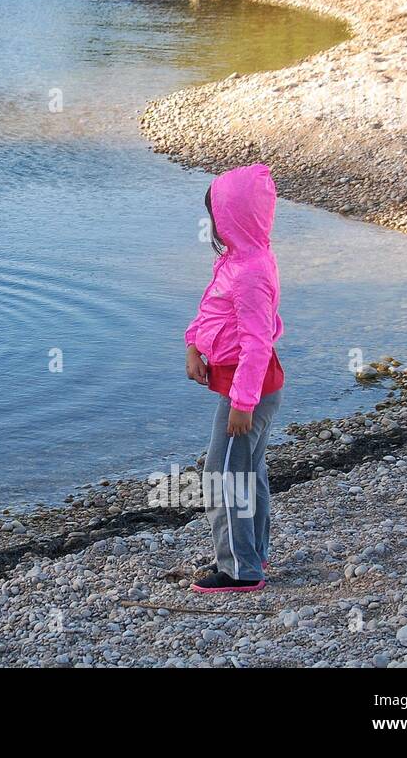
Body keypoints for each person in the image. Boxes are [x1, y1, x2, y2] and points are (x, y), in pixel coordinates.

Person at [184, 164, 285, 594]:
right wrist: (193, 344)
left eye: (217, 217)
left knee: (223, 475)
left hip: (250, 391)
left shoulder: (251, 272)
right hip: (243, 385)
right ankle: (252, 553)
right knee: (248, 472)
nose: (213, 227)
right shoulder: (235, 260)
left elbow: (258, 342)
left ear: (235, 218)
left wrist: (243, 403)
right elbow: (212, 310)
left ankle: (240, 570)